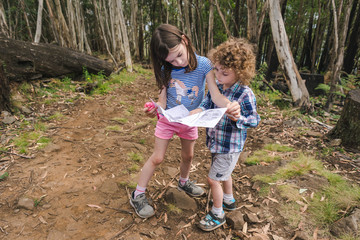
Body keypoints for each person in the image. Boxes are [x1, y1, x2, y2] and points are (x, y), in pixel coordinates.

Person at [130, 24, 240, 219]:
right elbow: (162, 101)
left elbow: (215, 95)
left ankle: (184, 181)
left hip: (190, 120)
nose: (178, 62)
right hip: (168, 119)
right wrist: (155, 108)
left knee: (188, 156)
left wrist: (230, 105)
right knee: (158, 157)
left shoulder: (205, 65)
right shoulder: (166, 68)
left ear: (185, 40)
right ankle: (138, 194)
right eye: (171, 60)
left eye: (180, 55)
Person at [192, 38, 261, 231]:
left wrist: (238, 118)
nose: (218, 76)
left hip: (230, 147)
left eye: (225, 72)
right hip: (216, 142)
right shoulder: (219, 87)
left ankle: (217, 213)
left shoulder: (245, 94)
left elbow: (254, 120)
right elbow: (207, 102)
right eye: (216, 70)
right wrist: (198, 111)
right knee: (225, 174)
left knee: (213, 179)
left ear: (240, 72)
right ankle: (229, 200)